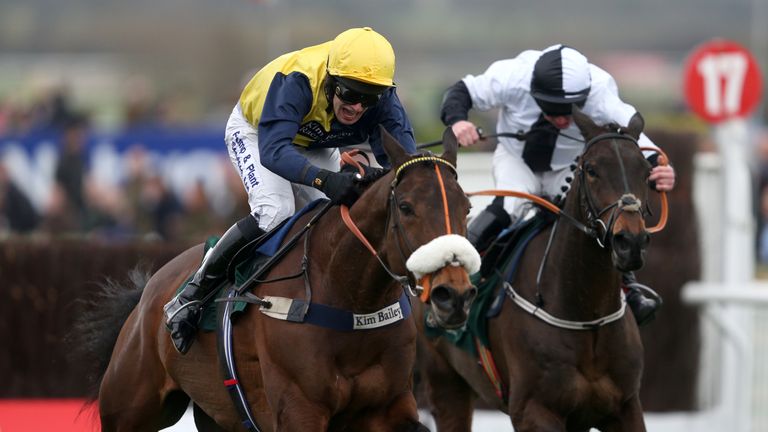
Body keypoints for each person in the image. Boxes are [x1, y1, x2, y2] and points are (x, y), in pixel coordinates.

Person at [164, 27, 416, 354]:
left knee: (345, 215)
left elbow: (405, 165)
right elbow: (274, 151)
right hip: (259, 133)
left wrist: (376, 177)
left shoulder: (382, 97)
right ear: (329, 80)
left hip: (314, 140)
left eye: (368, 99)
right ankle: (191, 294)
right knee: (275, 212)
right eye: (350, 95)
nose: (357, 108)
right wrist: (324, 179)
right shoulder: (298, 80)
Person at [440, 44, 676, 326]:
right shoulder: (514, 75)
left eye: (569, 110)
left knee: (597, 218)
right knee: (507, 210)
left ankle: (630, 289)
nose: (564, 119)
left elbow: (635, 135)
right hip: (517, 162)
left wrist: (659, 167)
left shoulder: (599, 88)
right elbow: (461, 92)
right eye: (555, 109)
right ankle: (453, 284)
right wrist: (458, 121)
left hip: (568, 167)